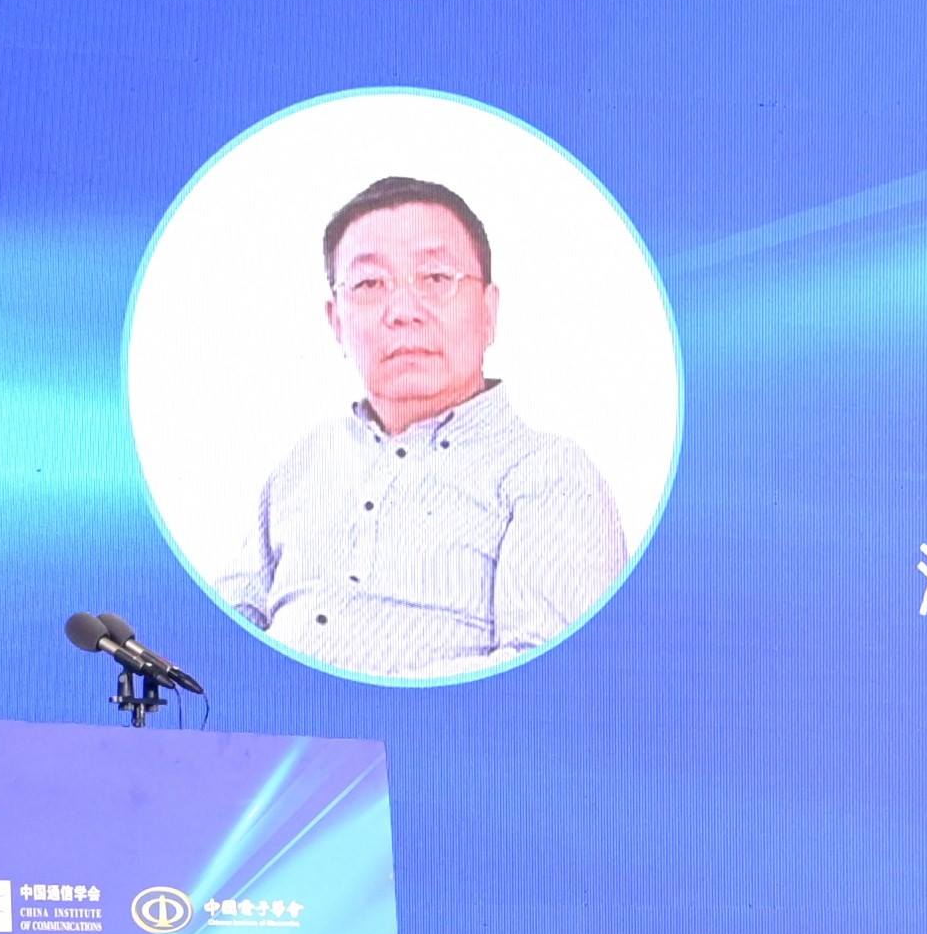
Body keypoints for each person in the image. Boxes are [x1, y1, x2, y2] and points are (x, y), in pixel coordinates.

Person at [213, 176, 631, 681]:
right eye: (369, 285)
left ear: (488, 312)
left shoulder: (550, 473)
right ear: (336, 321)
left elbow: (540, 674)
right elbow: (223, 628)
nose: (403, 312)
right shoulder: (305, 462)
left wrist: (335, 708)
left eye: (435, 278)